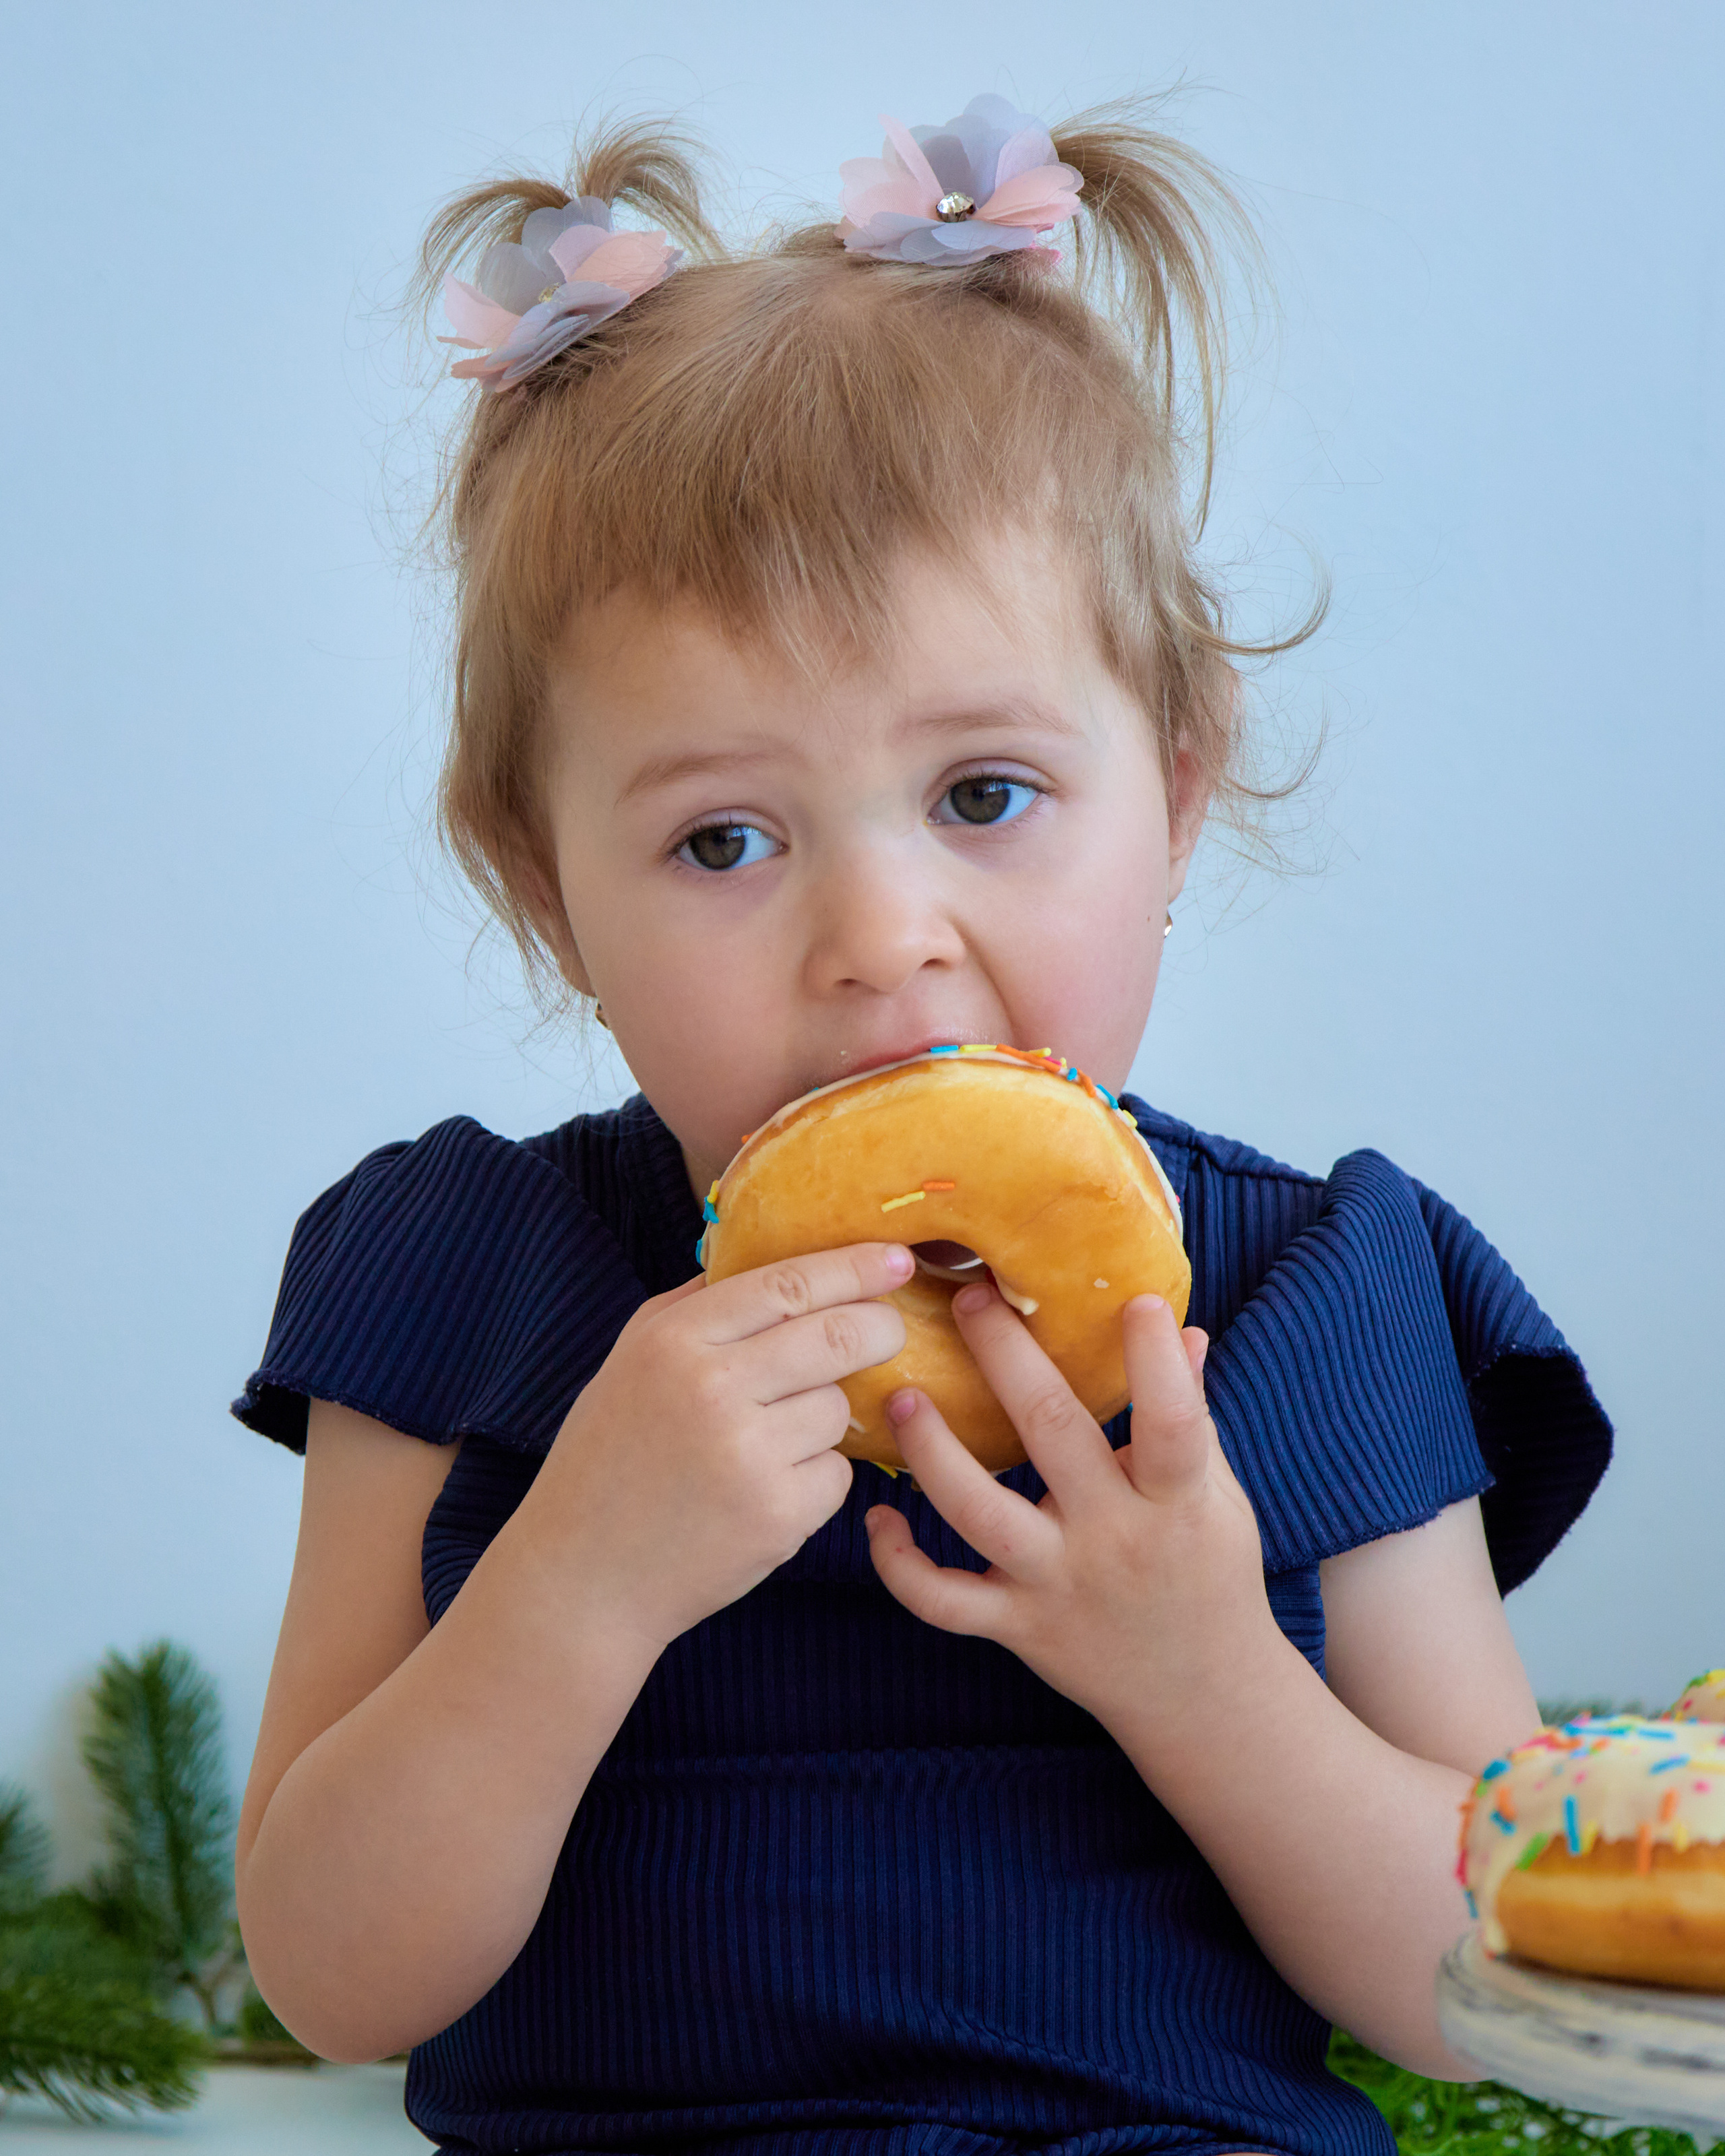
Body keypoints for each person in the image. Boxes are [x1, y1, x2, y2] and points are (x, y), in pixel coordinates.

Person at [230, 94, 1612, 2156]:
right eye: (723, 838)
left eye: (984, 795)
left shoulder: (1310, 1293)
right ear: (547, 891)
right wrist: (576, 1584)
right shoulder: (471, 1283)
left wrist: (1205, 1674)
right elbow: (335, 1978)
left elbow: (1494, 1991)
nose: (881, 940)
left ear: (1178, 791)